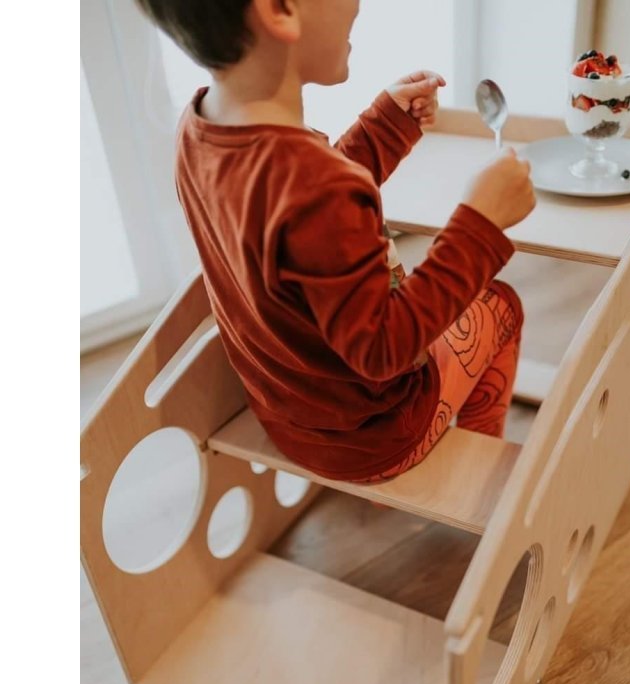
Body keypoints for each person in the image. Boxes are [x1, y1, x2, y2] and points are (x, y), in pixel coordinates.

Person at [135, 0, 537, 483]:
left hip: (288, 418)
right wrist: (479, 225)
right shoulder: (316, 185)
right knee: (502, 304)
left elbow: (306, 226)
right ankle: (484, 469)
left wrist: (385, 127)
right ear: (279, 10)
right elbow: (385, 348)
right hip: (376, 437)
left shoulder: (199, 129)